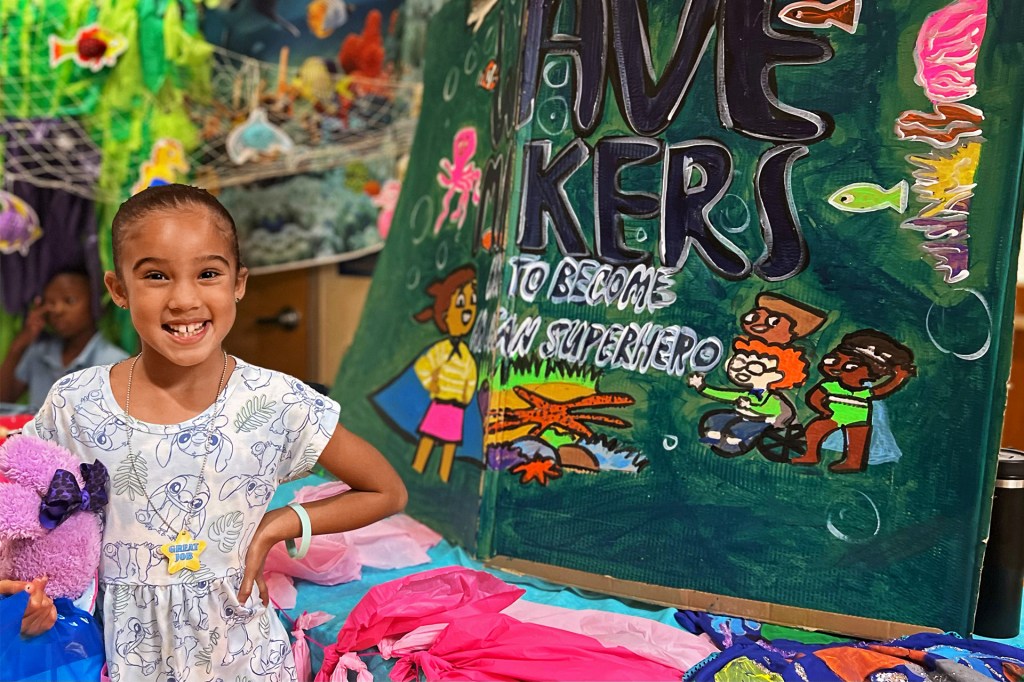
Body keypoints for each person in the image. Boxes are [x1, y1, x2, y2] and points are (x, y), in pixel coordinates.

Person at [19, 184, 408, 681]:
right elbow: (23, 503)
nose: (184, 298)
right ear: (119, 290)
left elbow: (386, 490)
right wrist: (31, 591)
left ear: (238, 283)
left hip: (243, 658)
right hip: (120, 658)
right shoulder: (77, 402)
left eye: (207, 274)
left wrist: (279, 523)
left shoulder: (276, 401)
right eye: (156, 275)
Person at [0, 268, 128, 411]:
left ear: (94, 305)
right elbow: (4, 399)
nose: (58, 310)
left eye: (69, 300)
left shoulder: (114, 364)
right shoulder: (40, 352)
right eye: (50, 303)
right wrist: (19, 345)